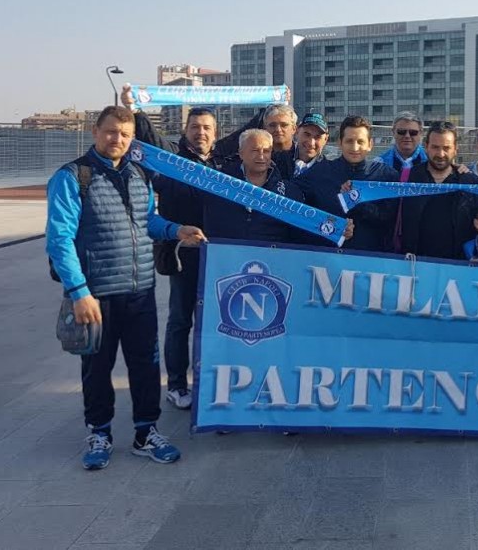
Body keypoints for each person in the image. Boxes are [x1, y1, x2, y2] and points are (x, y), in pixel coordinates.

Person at [46, 106, 206, 470]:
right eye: (110, 131)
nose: (116, 139)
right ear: (95, 132)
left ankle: (145, 433)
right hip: (96, 294)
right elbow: (59, 240)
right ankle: (99, 432)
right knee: (97, 367)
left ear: (132, 138)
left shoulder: (137, 174)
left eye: (124, 134)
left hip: (140, 290)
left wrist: (176, 230)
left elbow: (147, 221)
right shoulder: (73, 177)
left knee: (146, 365)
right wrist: (79, 292)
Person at [120, 87, 228, 411]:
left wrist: (273, 103)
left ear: (215, 133)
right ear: (185, 131)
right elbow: (149, 138)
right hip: (182, 252)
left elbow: (251, 135)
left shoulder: (225, 161)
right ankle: (178, 385)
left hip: (220, 255)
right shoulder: (171, 160)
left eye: (206, 127)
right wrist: (135, 110)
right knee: (181, 321)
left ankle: (212, 383)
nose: (201, 132)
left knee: (217, 322)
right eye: (195, 127)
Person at [295, 115, 398, 252]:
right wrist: (331, 226)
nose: (355, 148)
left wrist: (357, 202)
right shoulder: (318, 172)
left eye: (360, 141)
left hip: (372, 259)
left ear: (370, 144)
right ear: (340, 143)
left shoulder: (386, 176)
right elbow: (298, 214)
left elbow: (391, 221)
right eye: (349, 141)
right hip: (326, 257)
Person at [202, 129, 323, 244]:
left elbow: (299, 236)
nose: (261, 156)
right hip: (228, 255)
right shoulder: (220, 187)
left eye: (266, 151)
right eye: (255, 150)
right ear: (241, 153)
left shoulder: (289, 193)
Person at [401, 121, 478, 260]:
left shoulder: (470, 182)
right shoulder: (408, 178)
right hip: (415, 263)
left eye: (446, 148)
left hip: (458, 264)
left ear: (456, 149)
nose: (441, 154)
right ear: (426, 147)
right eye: (435, 147)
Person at [378, 111, 429, 252]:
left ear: (421, 134)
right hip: (386, 234)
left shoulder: (432, 164)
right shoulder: (379, 164)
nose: (407, 136)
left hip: (422, 235)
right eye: (401, 132)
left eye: (413, 132)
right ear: (393, 132)